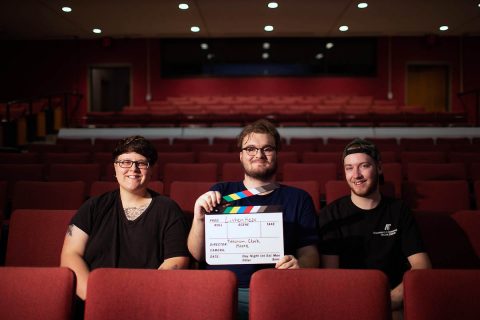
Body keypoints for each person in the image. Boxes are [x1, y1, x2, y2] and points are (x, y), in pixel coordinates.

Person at [188, 119, 319, 319]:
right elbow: (197, 255)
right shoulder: (220, 193)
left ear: (277, 154)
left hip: (276, 289)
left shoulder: (299, 198)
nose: (259, 154)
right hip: (221, 288)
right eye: (251, 149)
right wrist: (199, 218)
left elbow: (310, 253)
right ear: (241, 155)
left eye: (267, 148)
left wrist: (300, 265)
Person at [61, 136, 190, 308]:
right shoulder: (93, 206)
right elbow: (71, 254)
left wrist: (140, 299)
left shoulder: (168, 209)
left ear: (151, 170)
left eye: (141, 163)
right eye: (125, 162)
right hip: (93, 300)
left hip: (147, 301)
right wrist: (93, 296)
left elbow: (176, 260)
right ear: (115, 167)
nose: (133, 169)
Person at [318, 138, 431, 318]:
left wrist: (391, 299)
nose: (356, 174)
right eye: (349, 168)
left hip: (393, 304)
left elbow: (422, 266)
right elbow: (331, 275)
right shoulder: (331, 215)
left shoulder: (399, 210)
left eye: (364, 166)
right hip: (349, 304)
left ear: (378, 168)